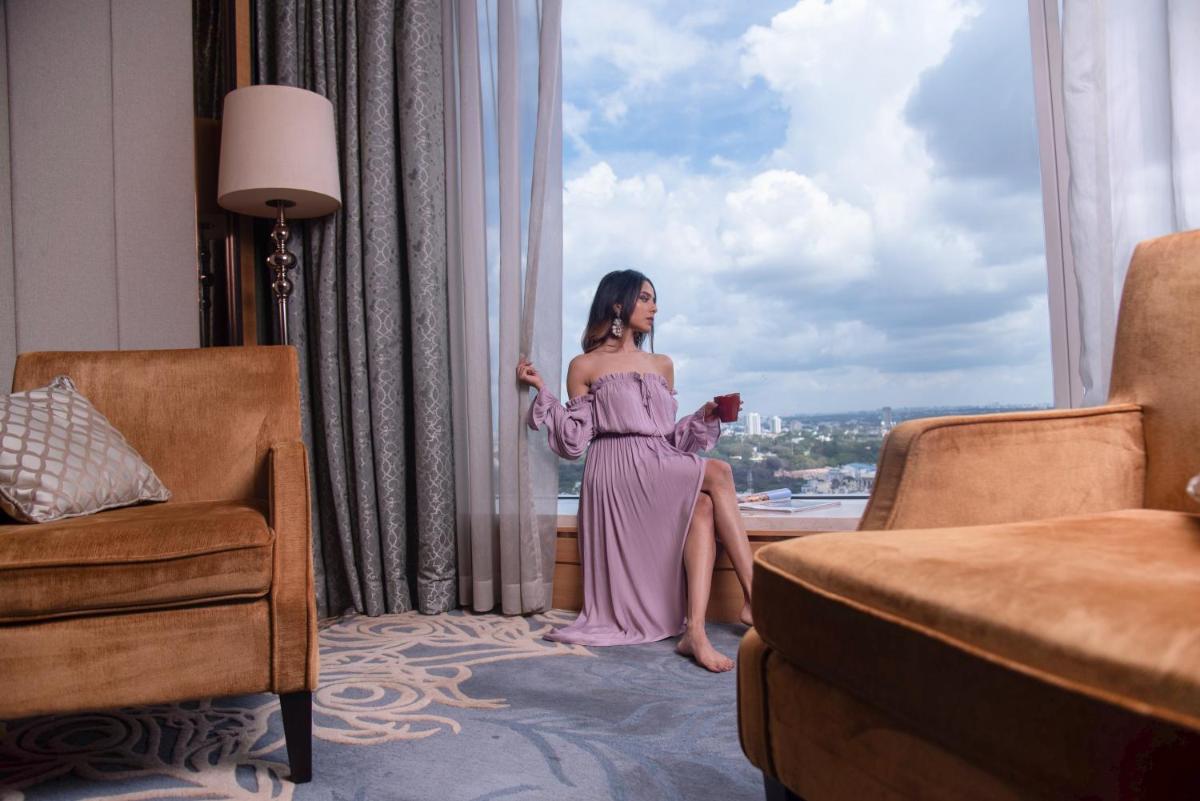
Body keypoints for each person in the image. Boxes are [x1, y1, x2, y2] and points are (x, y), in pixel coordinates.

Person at [517, 269, 756, 672]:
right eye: (645, 298)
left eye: (653, 299)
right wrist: (545, 391)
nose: (654, 307)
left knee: (702, 508)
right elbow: (576, 439)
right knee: (718, 471)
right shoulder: (585, 365)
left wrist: (706, 415)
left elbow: (669, 439)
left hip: (657, 461)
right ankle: (756, 600)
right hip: (614, 471)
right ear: (618, 304)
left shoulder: (662, 364)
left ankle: (694, 632)